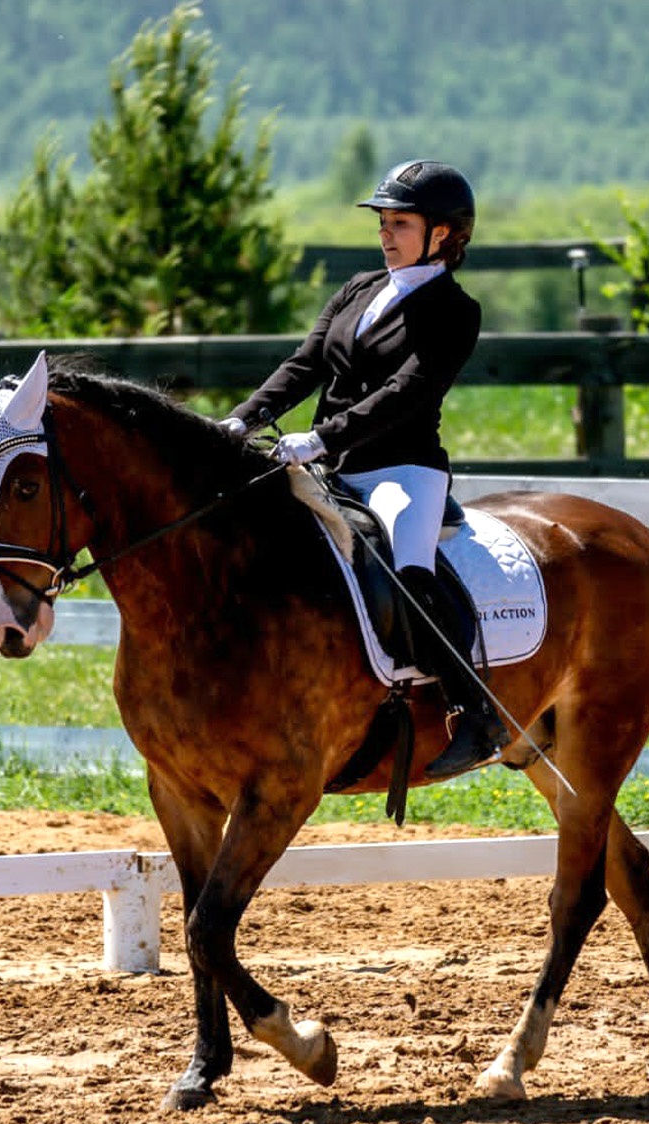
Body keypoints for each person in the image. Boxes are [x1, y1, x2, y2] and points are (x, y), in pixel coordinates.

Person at [219, 159, 508, 777]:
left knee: (409, 573)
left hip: (402, 472)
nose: (385, 233)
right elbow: (304, 365)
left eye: (400, 223)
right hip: (327, 462)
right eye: (383, 222)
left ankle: (473, 715)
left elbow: (407, 392)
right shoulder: (356, 289)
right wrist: (241, 421)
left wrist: (319, 439)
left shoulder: (455, 311)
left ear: (443, 235)